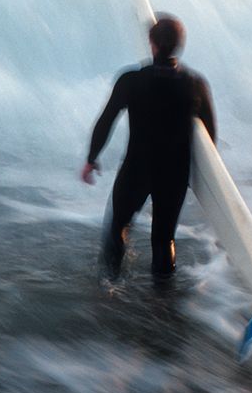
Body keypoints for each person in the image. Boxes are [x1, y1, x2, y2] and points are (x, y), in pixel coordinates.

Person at [81, 15, 215, 281]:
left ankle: (109, 290)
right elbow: (210, 135)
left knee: (117, 228)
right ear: (179, 46)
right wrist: (199, 178)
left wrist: (91, 158)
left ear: (151, 44)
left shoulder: (131, 81)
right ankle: (162, 303)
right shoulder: (195, 84)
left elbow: (106, 120)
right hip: (174, 174)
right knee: (164, 239)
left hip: (137, 168)